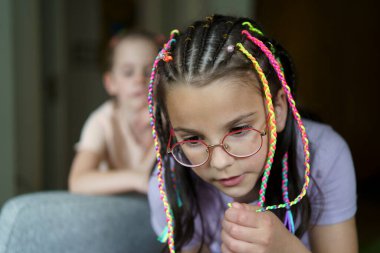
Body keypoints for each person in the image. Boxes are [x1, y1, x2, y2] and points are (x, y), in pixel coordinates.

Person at [147, 15, 358, 253]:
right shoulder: (168, 186)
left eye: (239, 130)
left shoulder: (325, 155)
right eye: (193, 139)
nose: (220, 162)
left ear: (277, 109)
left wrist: (286, 249)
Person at [69, 30, 158, 195]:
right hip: (117, 205)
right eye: (128, 72)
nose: (139, 80)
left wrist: (161, 126)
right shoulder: (102, 121)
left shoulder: (168, 117)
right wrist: (137, 179)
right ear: (111, 83)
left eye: (149, 72)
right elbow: (77, 181)